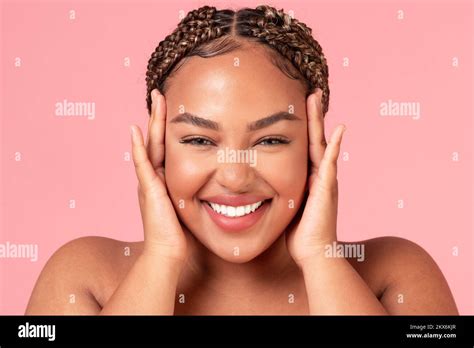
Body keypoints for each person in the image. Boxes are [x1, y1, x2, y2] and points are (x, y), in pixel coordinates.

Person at [25, 5, 458, 315]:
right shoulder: (84, 275)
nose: (234, 176)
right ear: (158, 146)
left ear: (314, 141)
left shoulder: (397, 274)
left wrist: (321, 258)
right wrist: (160, 257)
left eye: (269, 140)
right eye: (198, 139)